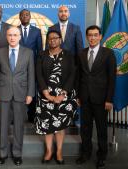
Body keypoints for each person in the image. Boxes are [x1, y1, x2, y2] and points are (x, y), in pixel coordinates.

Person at [0, 27, 35, 166]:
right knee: (3, 125)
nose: (12, 37)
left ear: (20, 36)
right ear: (6, 36)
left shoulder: (28, 52)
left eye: (15, 35)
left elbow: (31, 75)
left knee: (18, 126)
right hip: (3, 93)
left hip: (21, 93)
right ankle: (3, 154)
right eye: (10, 35)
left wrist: (30, 93)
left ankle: (17, 153)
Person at [76, 25, 116, 168]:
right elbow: (78, 76)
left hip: (101, 99)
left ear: (100, 37)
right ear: (87, 37)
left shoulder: (108, 54)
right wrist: (78, 96)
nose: (92, 38)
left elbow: (112, 78)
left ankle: (101, 156)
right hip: (85, 98)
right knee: (85, 128)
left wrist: (109, 99)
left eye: (95, 35)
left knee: (101, 129)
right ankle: (85, 153)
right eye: (90, 35)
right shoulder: (81, 53)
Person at [35, 30, 77, 165]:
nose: (53, 40)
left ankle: (59, 151)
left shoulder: (69, 55)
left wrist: (63, 94)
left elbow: (72, 74)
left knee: (60, 125)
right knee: (47, 124)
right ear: (47, 41)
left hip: (63, 96)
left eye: (55, 38)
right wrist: (46, 94)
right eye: (50, 38)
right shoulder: (41, 55)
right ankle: (49, 151)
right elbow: (39, 75)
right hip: (45, 95)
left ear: (60, 40)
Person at [18, 9, 43, 123]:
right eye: (22, 15)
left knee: (31, 90)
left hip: (32, 66)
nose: (25, 17)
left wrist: (38, 67)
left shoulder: (37, 31)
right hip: (17, 67)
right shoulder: (14, 30)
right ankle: (17, 116)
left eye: (27, 15)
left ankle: (32, 115)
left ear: (30, 17)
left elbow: (40, 51)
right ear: (19, 17)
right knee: (17, 90)